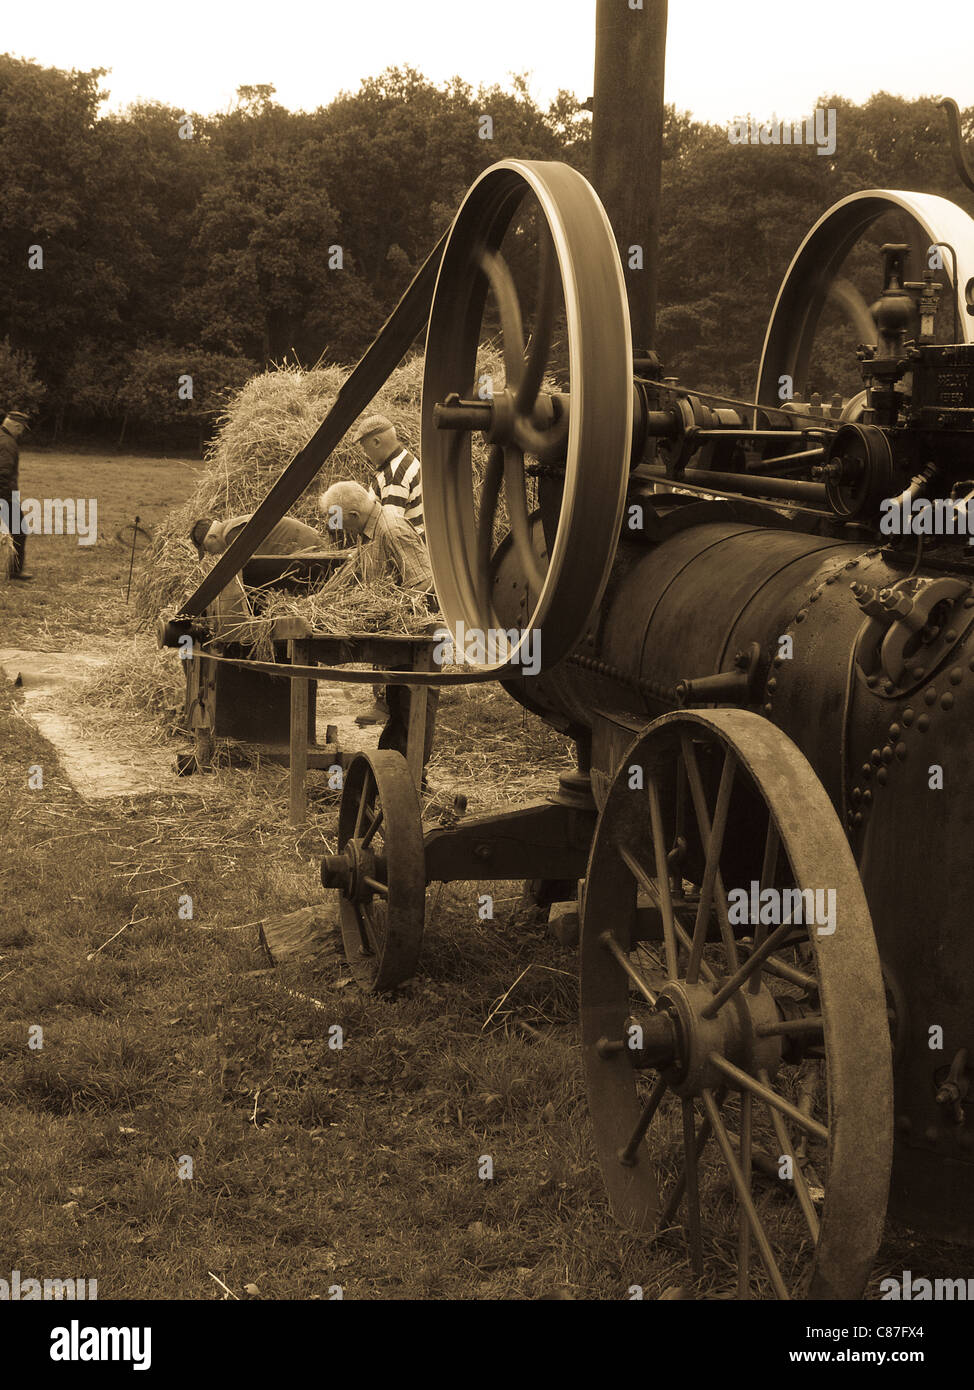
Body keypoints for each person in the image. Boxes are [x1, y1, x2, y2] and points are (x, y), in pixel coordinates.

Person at [318, 480, 439, 762]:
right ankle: (393, 774)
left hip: (420, 639)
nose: (336, 526)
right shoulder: (367, 532)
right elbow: (352, 572)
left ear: (354, 516)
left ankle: (413, 781)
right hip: (401, 641)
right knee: (398, 710)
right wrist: (317, 604)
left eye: (337, 519)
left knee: (414, 711)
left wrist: (386, 613)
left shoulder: (392, 529)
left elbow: (424, 583)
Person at [352, 414, 425, 538]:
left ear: (376, 442)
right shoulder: (405, 459)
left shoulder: (393, 476)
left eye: (365, 448)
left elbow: (390, 531)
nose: (365, 454)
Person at [190, 513, 329, 558]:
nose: (212, 555)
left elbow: (252, 566)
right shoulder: (231, 527)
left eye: (208, 549)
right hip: (304, 546)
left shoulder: (232, 534)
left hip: (313, 547)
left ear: (212, 537)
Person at [0, 411, 31, 579]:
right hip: (4, 496)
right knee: (19, 531)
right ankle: (15, 572)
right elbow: (3, 472)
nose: (21, 433)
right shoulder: (8, 443)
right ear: (17, 426)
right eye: (21, 429)